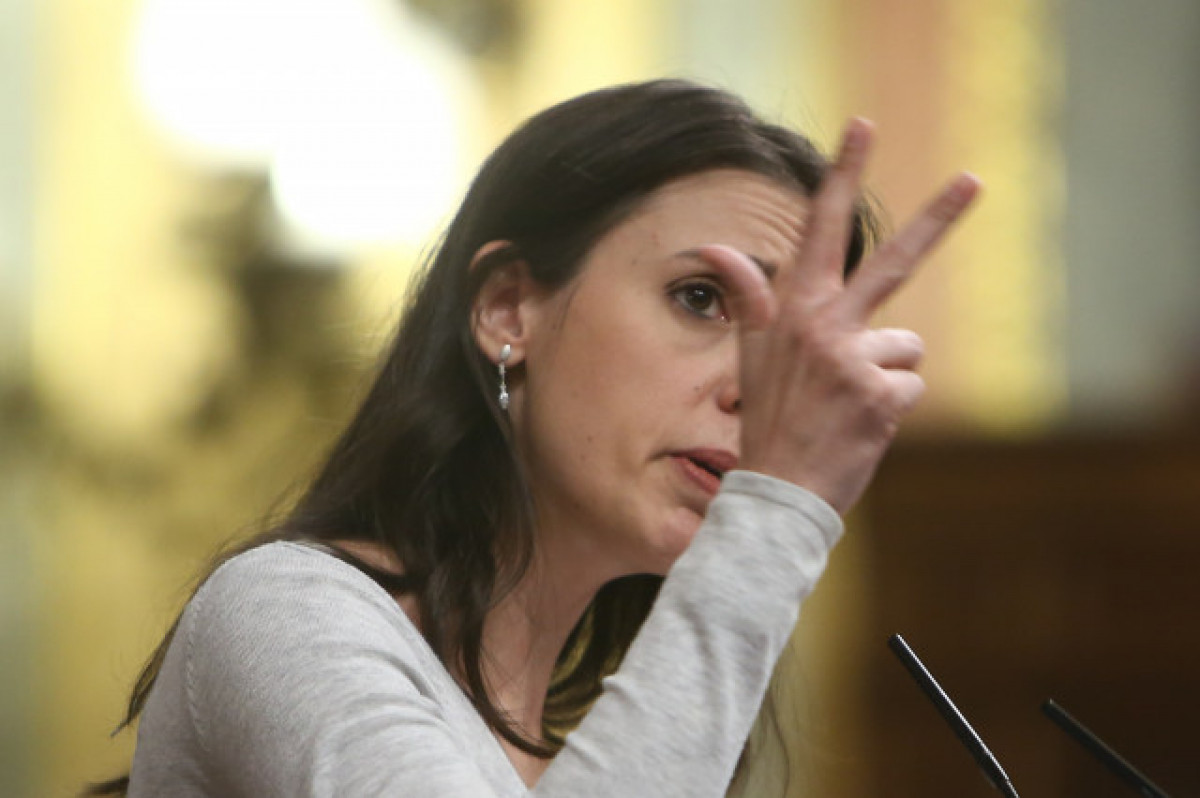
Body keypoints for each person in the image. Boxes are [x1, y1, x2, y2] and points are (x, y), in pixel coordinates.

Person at [89, 79, 978, 797]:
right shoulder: (287, 612)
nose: (763, 392)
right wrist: (777, 514)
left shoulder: (587, 755)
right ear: (508, 308)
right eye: (702, 299)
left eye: (788, 349)